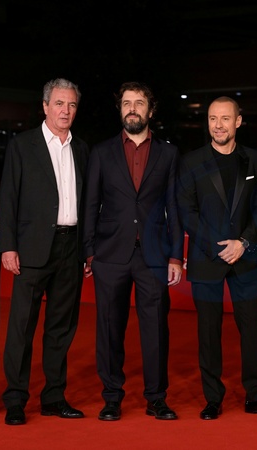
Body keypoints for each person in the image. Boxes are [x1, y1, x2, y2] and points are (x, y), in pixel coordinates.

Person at [82, 82, 183, 422]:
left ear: (150, 110)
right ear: (120, 109)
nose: (132, 108)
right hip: (110, 254)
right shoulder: (102, 152)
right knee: (109, 329)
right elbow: (90, 204)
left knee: (156, 330)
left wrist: (175, 255)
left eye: (139, 103)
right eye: (127, 103)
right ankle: (111, 397)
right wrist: (89, 252)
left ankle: (157, 398)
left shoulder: (168, 153)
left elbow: (174, 206)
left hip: (154, 256)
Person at [177, 96, 257, 420]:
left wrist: (243, 242)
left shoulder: (254, 160)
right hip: (207, 257)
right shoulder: (191, 161)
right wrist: (218, 246)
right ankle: (213, 398)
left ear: (238, 121)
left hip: (245, 258)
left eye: (225, 119)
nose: (218, 125)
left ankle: (256, 396)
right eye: (212, 119)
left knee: (252, 330)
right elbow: (187, 211)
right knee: (208, 332)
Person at [0, 78, 89, 425]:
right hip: (32, 248)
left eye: (72, 105)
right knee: (21, 327)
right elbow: (8, 198)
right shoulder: (23, 145)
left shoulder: (82, 149)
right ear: (45, 106)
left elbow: (89, 202)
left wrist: (87, 249)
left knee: (60, 328)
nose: (66, 111)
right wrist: (8, 246)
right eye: (59, 104)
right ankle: (15, 399)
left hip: (71, 247)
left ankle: (53, 397)